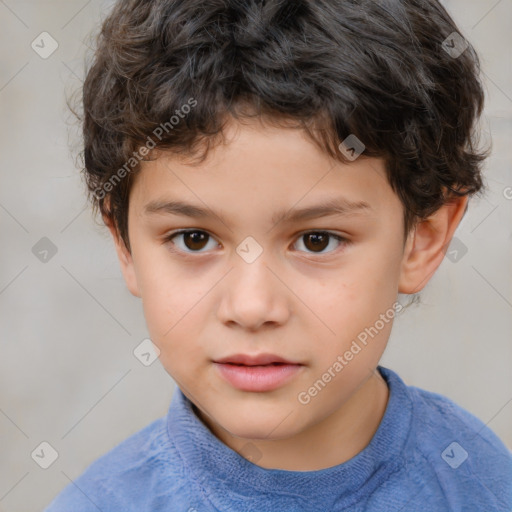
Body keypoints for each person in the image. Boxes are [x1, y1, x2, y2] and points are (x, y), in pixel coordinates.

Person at [45, 0, 512, 510]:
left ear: (423, 238)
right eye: (194, 239)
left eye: (317, 240)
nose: (251, 307)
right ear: (124, 244)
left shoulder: (482, 483)